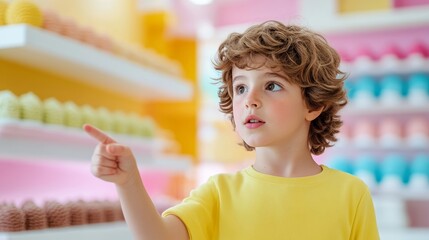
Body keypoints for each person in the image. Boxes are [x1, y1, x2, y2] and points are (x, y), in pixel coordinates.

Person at [83, 20, 379, 240]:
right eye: (240, 87)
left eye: (272, 85)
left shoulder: (350, 194)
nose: (249, 99)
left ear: (313, 105)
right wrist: (128, 183)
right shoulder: (219, 193)